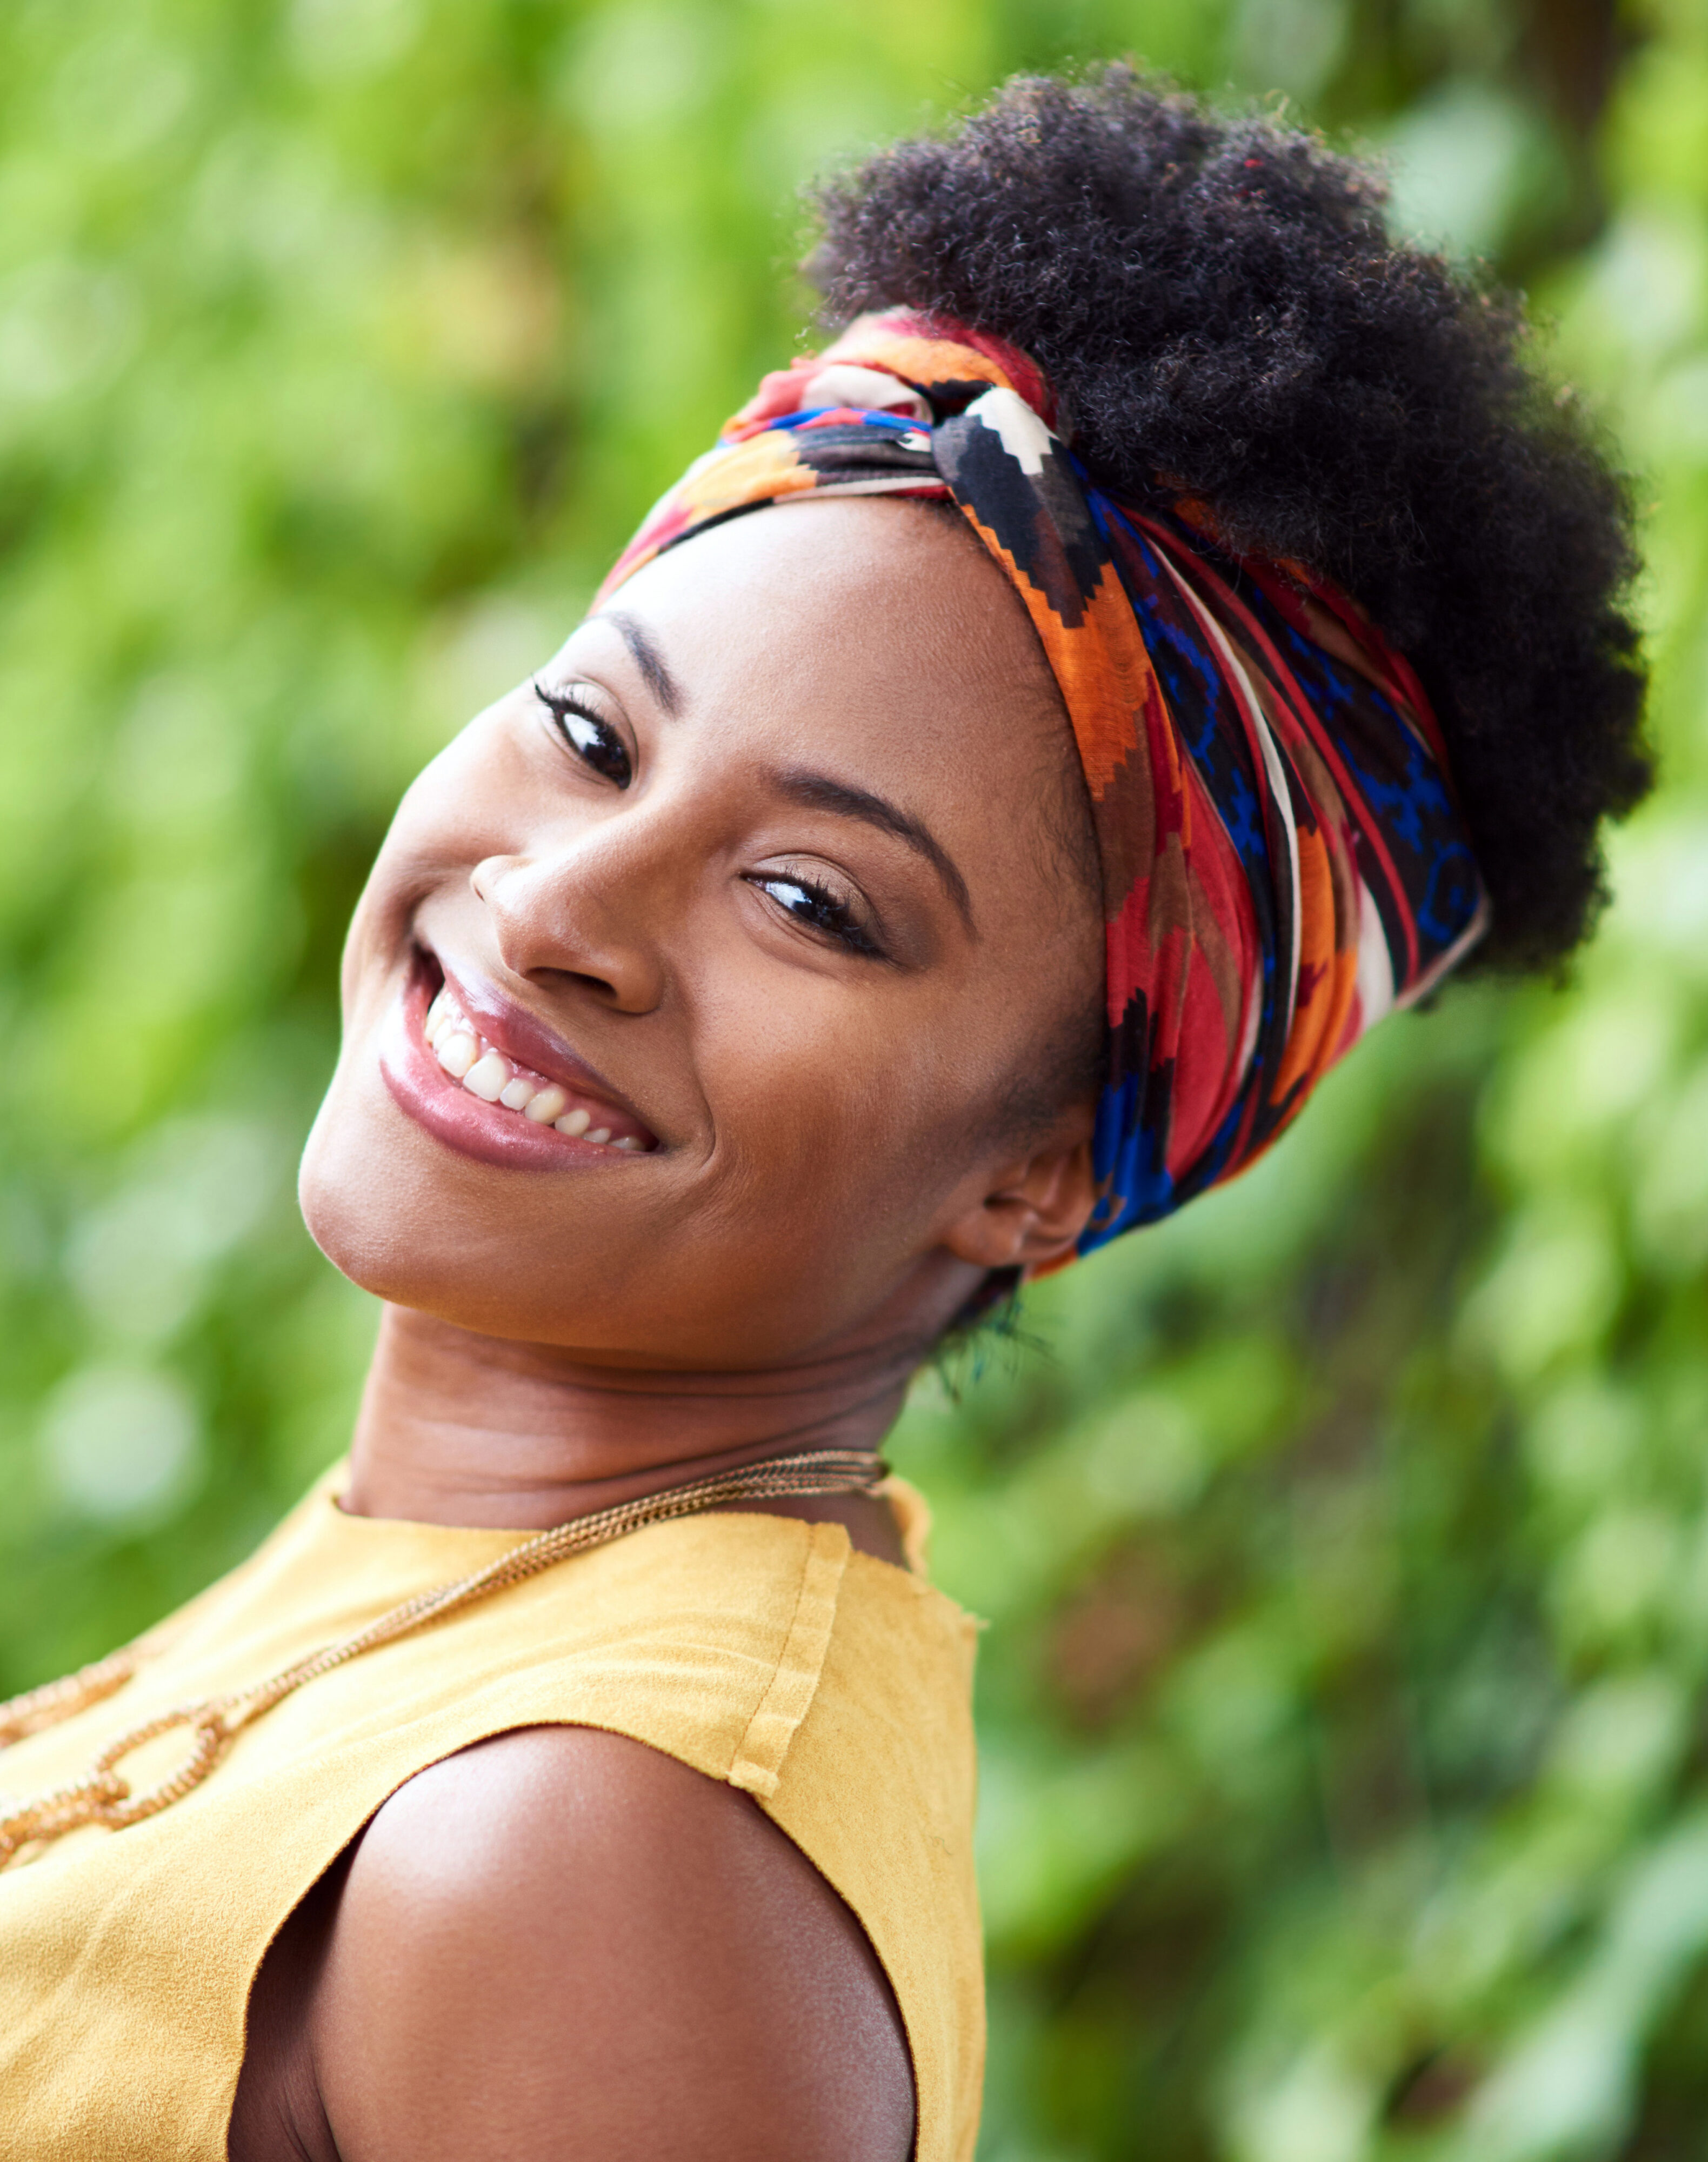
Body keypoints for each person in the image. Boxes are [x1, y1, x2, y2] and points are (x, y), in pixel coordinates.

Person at [0, 65, 1647, 2162]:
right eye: (594, 732)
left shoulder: (600, 1851)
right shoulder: (468, 1587)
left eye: (811, 900)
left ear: (1035, 1168)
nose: (562, 903)